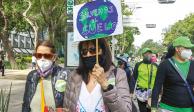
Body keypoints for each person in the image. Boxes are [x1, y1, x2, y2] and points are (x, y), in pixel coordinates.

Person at [63, 38, 132, 112]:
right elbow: (67, 107)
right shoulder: (74, 76)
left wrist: (106, 85)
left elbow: (126, 110)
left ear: (103, 51)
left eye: (93, 50)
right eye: (84, 51)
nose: (88, 54)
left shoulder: (118, 74)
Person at [22, 40, 70, 112]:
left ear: (53, 57)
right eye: (39, 55)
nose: (42, 59)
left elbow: (70, 104)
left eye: (47, 56)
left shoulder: (64, 74)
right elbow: (26, 103)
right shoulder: (32, 76)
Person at [151, 36, 194, 112]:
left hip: (189, 109)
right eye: (186, 48)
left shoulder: (192, 65)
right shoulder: (165, 65)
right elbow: (157, 86)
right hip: (168, 108)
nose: (189, 51)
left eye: (190, 48)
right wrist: (153, 107)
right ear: (177, 49)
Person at [133, 48, 158, 112]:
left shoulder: (156, 65)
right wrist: (131, 91)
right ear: (143, 55)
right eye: (146, 53)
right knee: (143, 110)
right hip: (141, 92)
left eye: (149, 53)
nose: (148, 55)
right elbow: (134, 78)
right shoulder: (138, 65)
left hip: (152, 93)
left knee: (150, 110)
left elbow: (158, 79)